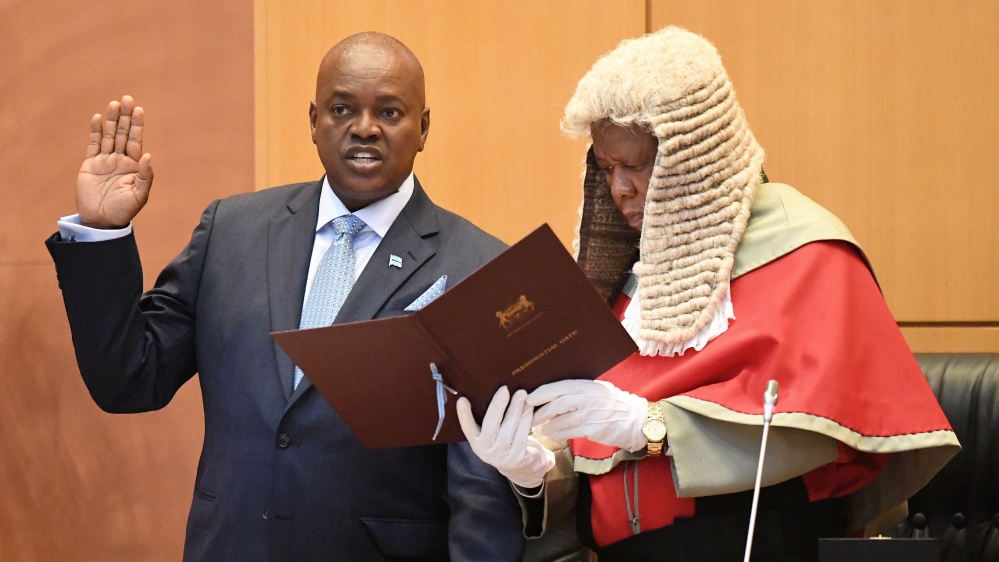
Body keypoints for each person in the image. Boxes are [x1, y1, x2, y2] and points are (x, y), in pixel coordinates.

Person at [457, 27, 960, 562]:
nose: (619, 188)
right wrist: (533, 470)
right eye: (606, 168)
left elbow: (817, 429)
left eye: (639, 164)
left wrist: (648, 425)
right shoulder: (626, 280)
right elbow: (595, 474)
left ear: (697, 160)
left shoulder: (806, 252)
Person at [46, 32, 525, 562]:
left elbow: (481, 487)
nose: (364, 128)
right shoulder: (232, 230)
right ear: (314, 121)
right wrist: (102, 233)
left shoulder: (478, 266)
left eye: (389, 112)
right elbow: (129, 378)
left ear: (423, 128)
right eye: (343, 108)